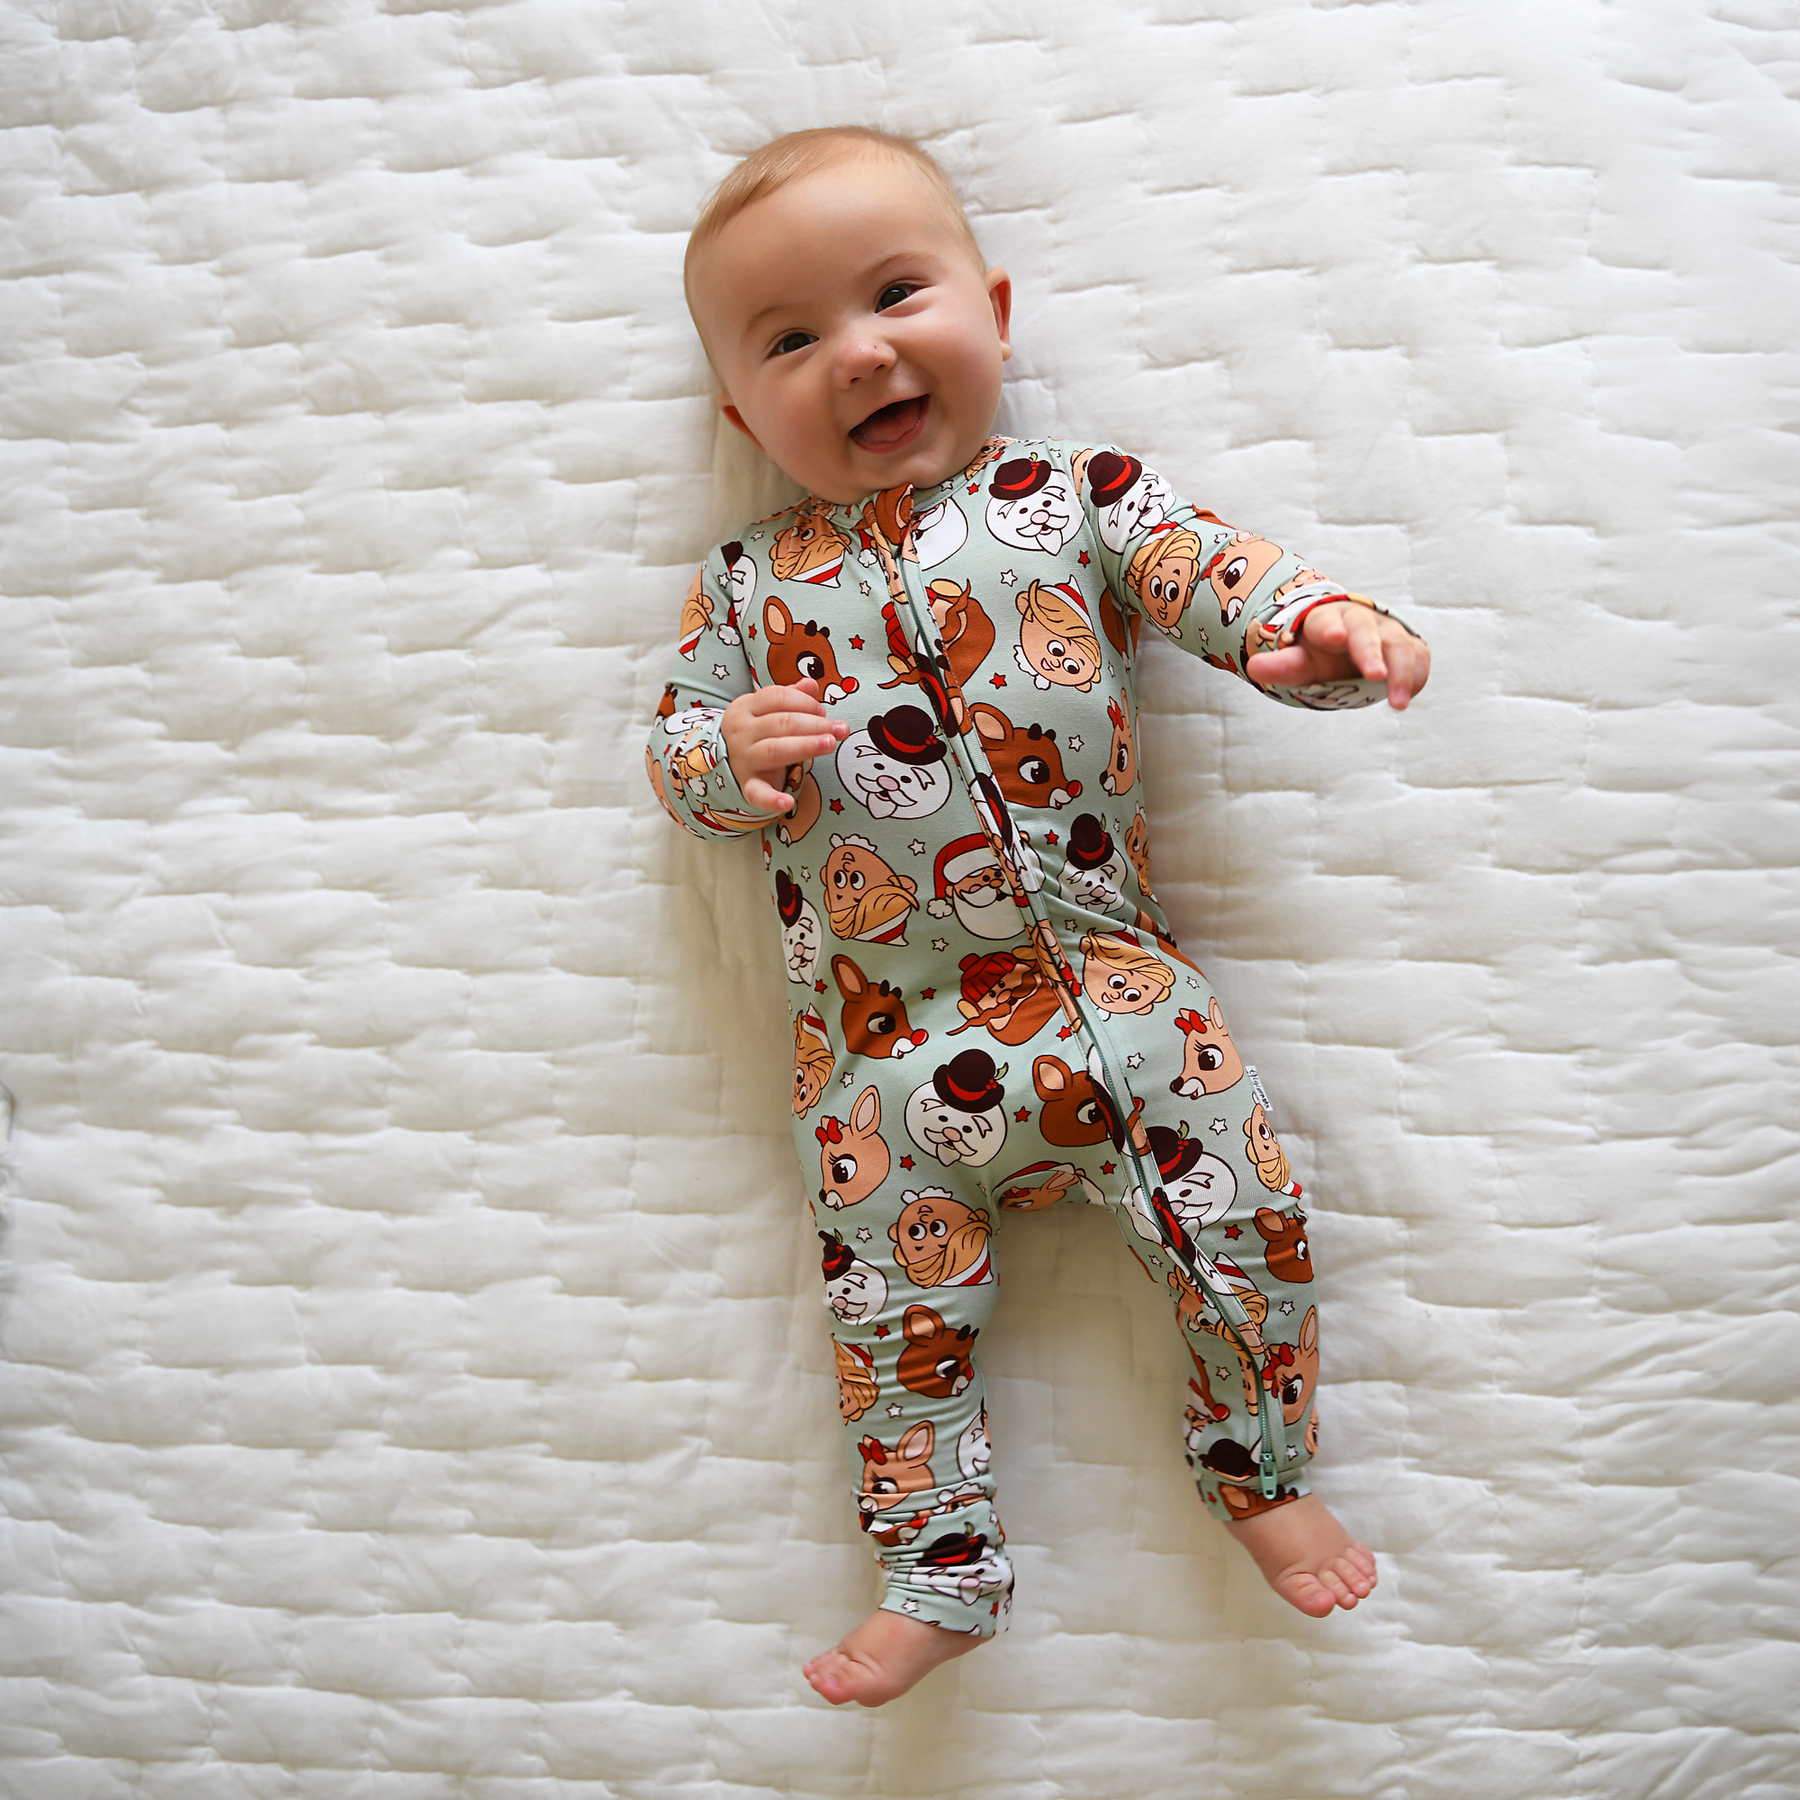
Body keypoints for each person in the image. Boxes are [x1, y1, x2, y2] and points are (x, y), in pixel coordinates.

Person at [647, 125, 1429, 1708]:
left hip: (1113, 993)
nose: (858, 353)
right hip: (881, 1044)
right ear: (740, 413)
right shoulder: (745, 583)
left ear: (994, 313)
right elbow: (672, 754)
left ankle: (1259, 1470)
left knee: (1250, 1219)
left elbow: (1211, 570)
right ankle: (935, 1570)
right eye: (789, 342)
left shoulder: (1076, 497)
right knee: (886, 1319)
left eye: (896, 295)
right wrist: (724, 755)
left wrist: (1316, 628)